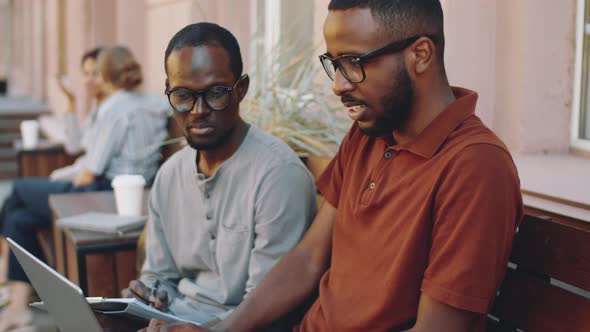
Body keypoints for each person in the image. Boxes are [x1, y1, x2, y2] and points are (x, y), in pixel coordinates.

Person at [142, 1, 523, 332]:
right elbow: (307, 260)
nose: (338, 85)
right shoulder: (367, 136)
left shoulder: (475, 166)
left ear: (420, 54)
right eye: (333, 64)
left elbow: (437, 329)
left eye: (353, 63)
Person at [122, 22, 317, 327]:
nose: (198, 110)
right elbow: (160, 275)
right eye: (183, 95)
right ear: (168, 92)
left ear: (241, 89)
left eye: (215, 93)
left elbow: (267, 306)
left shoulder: (279, 176)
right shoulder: (170, 175)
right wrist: (149, 298)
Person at [0, 45, 170, 331]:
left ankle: (5, 278)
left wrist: (60, 176)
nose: (91, 80)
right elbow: (81, 150)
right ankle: (19, 308)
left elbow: (89, 171)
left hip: (105, 192)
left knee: (18, 190)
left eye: (95, 74)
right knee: (20, 219)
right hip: (118, 189)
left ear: (105, 76)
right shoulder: (142, 103)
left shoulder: (116, 109)